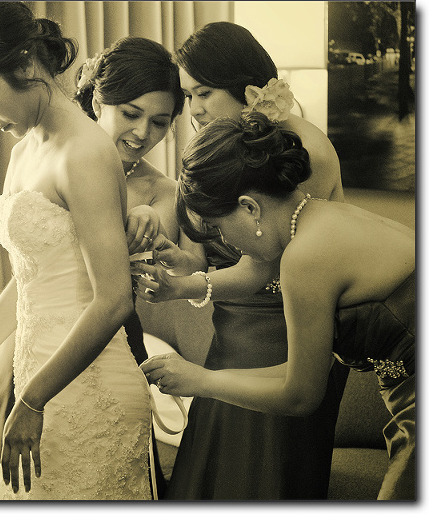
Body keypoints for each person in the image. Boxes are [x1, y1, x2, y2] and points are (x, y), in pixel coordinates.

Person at [0, 1, 151, 500]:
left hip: (91, 386)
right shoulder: (23, 152)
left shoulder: (86, 152)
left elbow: (114, 299)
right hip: (40, 375)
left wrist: (33, 400)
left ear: (27, 64)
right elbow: (32, 278)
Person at [140, 112, 415, 500]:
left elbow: (301, 395)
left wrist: (201, 381)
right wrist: (199, 376)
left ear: (250, 208)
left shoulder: (305, 258)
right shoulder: (323, 218)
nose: (226, 242)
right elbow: (296, 373)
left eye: (219, 227)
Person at [132, 21, 350, 500]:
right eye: (188, 95)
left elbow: (262, 268)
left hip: (285, 340)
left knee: (261, 483)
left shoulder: (305, 152)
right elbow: (217, 254)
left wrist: (182, 288)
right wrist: (183, 263)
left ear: (248, 89)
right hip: (232, 334)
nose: (194, 109)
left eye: (204, 93)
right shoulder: (235, 147)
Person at [0, 36, 194, 497]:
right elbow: (29, 276)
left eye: (159, 122)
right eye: (130, 113)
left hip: (99, 347)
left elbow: (151, 271)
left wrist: (150, 221)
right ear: (98, 101)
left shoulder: (162, 193)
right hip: (27, 345)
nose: (142, 133)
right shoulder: (43, 152)